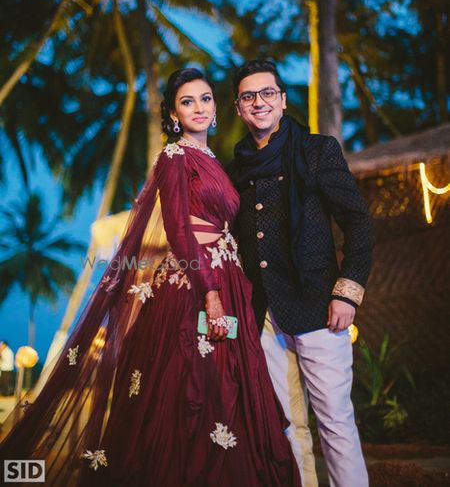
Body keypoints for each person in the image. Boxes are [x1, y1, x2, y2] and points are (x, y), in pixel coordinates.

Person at [0, 68, 300, 487]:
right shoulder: (174, 158)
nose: (199, 107)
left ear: (216, 108)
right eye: (187, 101)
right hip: (196, 286)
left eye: (206, 98)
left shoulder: (214, 160)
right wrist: (210, 292)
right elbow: (178, 230)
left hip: (229, 281)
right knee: (190, 390)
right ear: (174, 115)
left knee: (228, 393)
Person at [228, 60, 372, 487]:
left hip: (318, 307)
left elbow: (358, 221)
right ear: (238, 108)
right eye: (249, 96)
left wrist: (346, 293)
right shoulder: (235, 169)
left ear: (283, 99)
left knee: (335, 424)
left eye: (267, 92)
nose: (259, 102)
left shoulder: (317, 150)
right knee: (288, 425)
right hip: (265, 316)